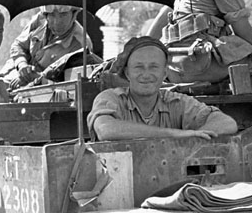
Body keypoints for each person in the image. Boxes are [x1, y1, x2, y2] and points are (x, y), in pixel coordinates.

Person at [87, 36, 238, 141]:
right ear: (127, 73)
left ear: (164, 73)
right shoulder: (110, 98)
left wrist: (197, 135)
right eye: (139, 67)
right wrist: (176, 135)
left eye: (153, 67)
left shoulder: (176, 101)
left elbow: (227, 123)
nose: (146, 75)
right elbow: (105, 129)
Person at [2, 4, 94, 89]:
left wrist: (39, 79)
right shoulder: (40, 20)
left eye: (63, 15)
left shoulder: (81, 44)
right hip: (13, 75)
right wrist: (22, 64)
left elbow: (72, 87)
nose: (57, 22)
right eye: (52, 15)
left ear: (74, 14)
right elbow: (18, 45)